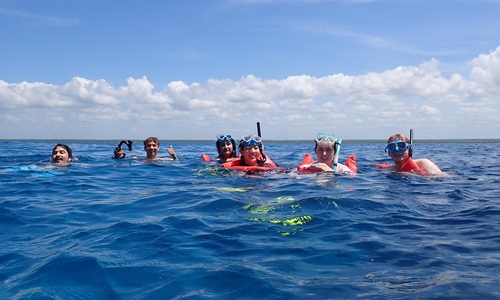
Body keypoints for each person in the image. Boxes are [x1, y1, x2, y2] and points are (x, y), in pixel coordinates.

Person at [376, 133, 443, 175]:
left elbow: (443, 178)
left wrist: (415, 174)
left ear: (409, 149)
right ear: (389, 153)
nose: (397, 150)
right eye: (392, 147)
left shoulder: (423, 163)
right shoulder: (389, 169)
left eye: (401, 146)